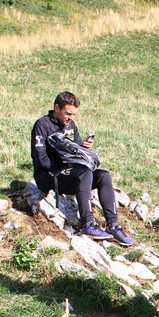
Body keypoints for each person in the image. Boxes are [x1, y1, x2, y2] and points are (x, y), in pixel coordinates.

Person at [31, 91, 134, 246]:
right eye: (68, 113)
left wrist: (84, 148)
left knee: (103, 175)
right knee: (84, 174)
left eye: (74, 114)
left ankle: (113, 226)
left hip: (71, 174)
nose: (70, 118)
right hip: (48, 176)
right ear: (57, 108)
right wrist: (67, 167)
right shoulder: (42, 125)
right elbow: (40, 159)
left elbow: (76, 150)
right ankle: (88, 224)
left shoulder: (71, 125)